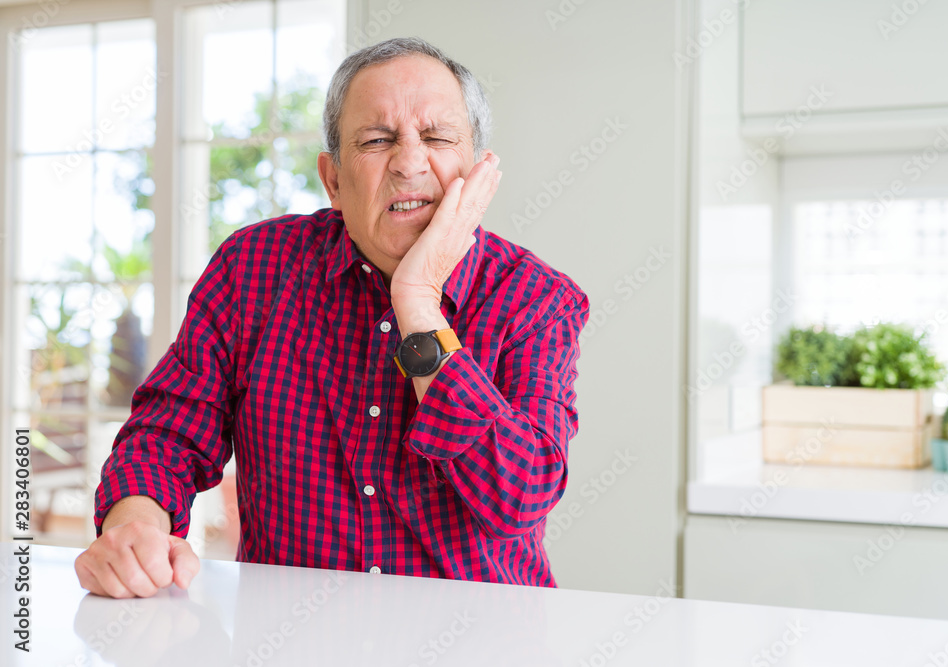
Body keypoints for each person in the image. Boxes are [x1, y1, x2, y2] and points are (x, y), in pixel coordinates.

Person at [75, 37, 589, 599]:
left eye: (438, 137)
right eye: (377, 140)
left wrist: (418, 306)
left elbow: (518, 494)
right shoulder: (253, 270)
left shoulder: (536, 299)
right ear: (335, 180)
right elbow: (168, 435)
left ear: (475, 171)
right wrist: (134, 526)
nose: (411, 162)